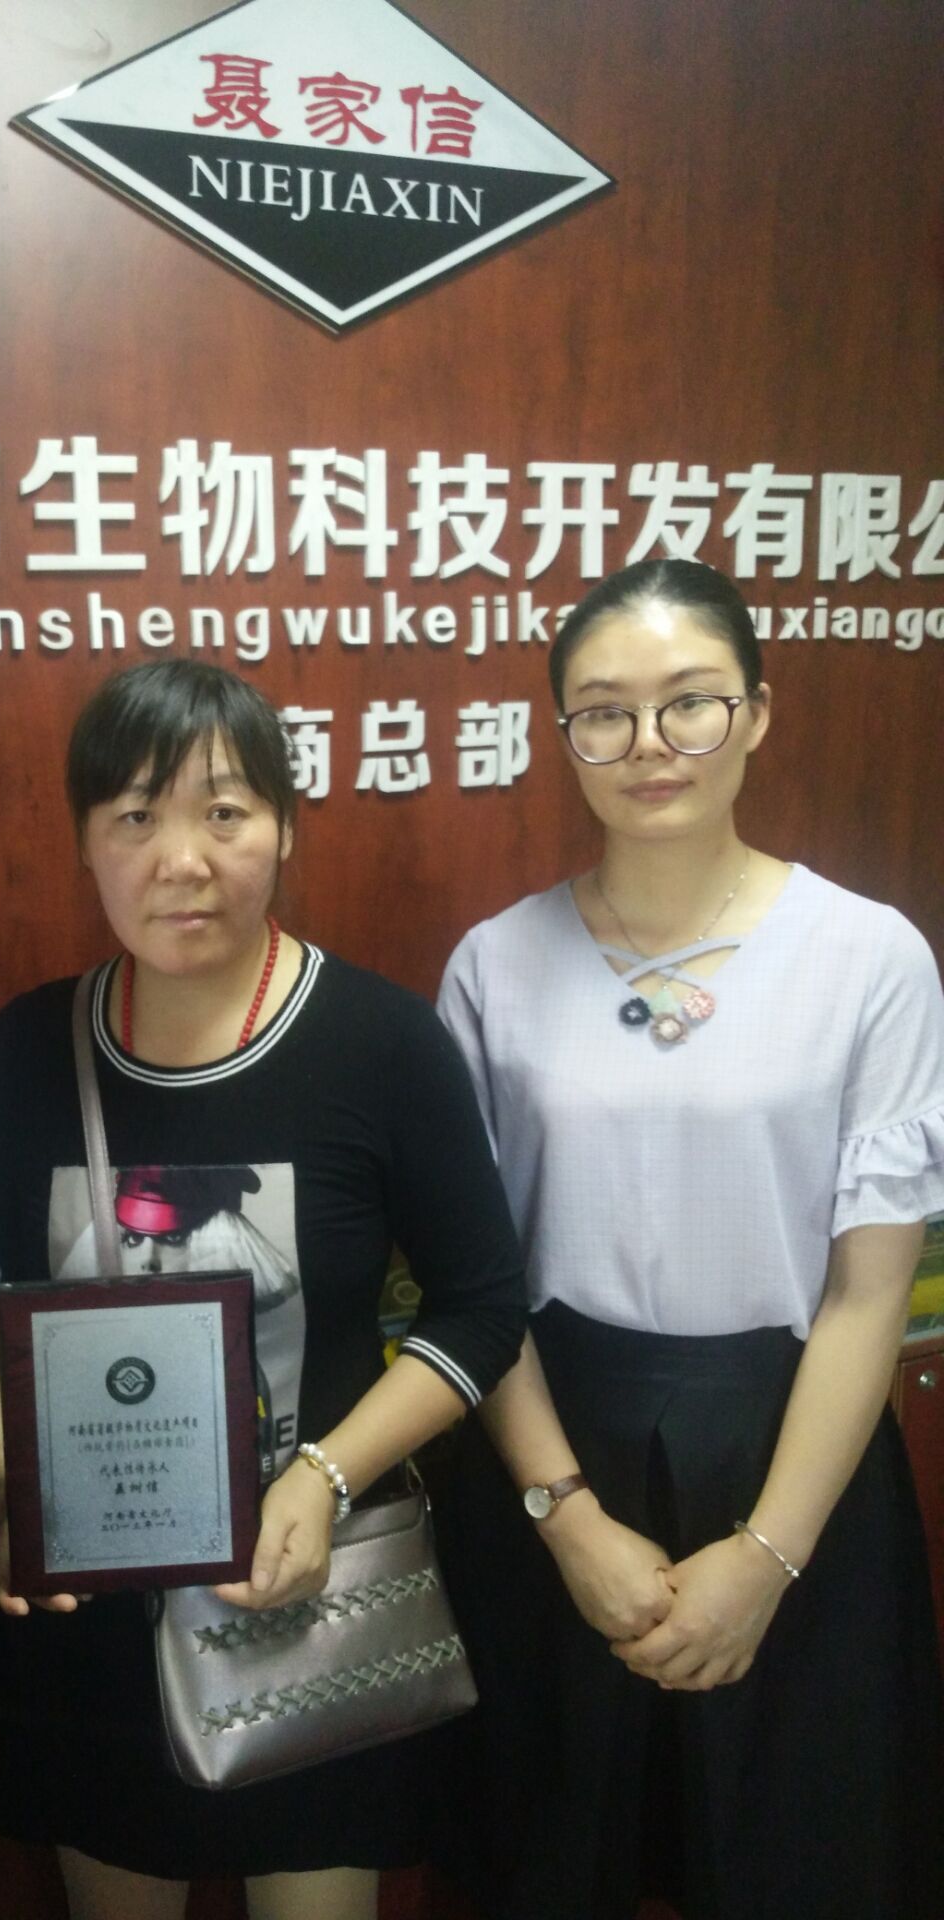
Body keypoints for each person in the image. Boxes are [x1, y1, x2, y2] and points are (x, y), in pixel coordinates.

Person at [0, 659, 526, 1920]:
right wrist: (13, 1478)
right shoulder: (25, 1053)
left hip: (311, 1594)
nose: (183, 860)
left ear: (285, 826)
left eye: (224, 812)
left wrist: (323, 1476)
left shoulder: (381, 1044)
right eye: (135, 817)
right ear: (86, 842)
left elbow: (483, 1308)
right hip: (91, 1614)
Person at [434, 559, 944, 1920]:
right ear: (564, 737)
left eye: (690, 703)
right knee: (549, 1863)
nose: (648, 744)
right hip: (554, 1454)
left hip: (794, 1457)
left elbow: (867, 1299)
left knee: (798, 1858)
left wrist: (767, 1558)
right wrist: (565, 1520)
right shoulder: (494, 964)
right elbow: (478, 1288)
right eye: (604, 712)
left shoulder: (870, 957)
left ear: (757, 713)